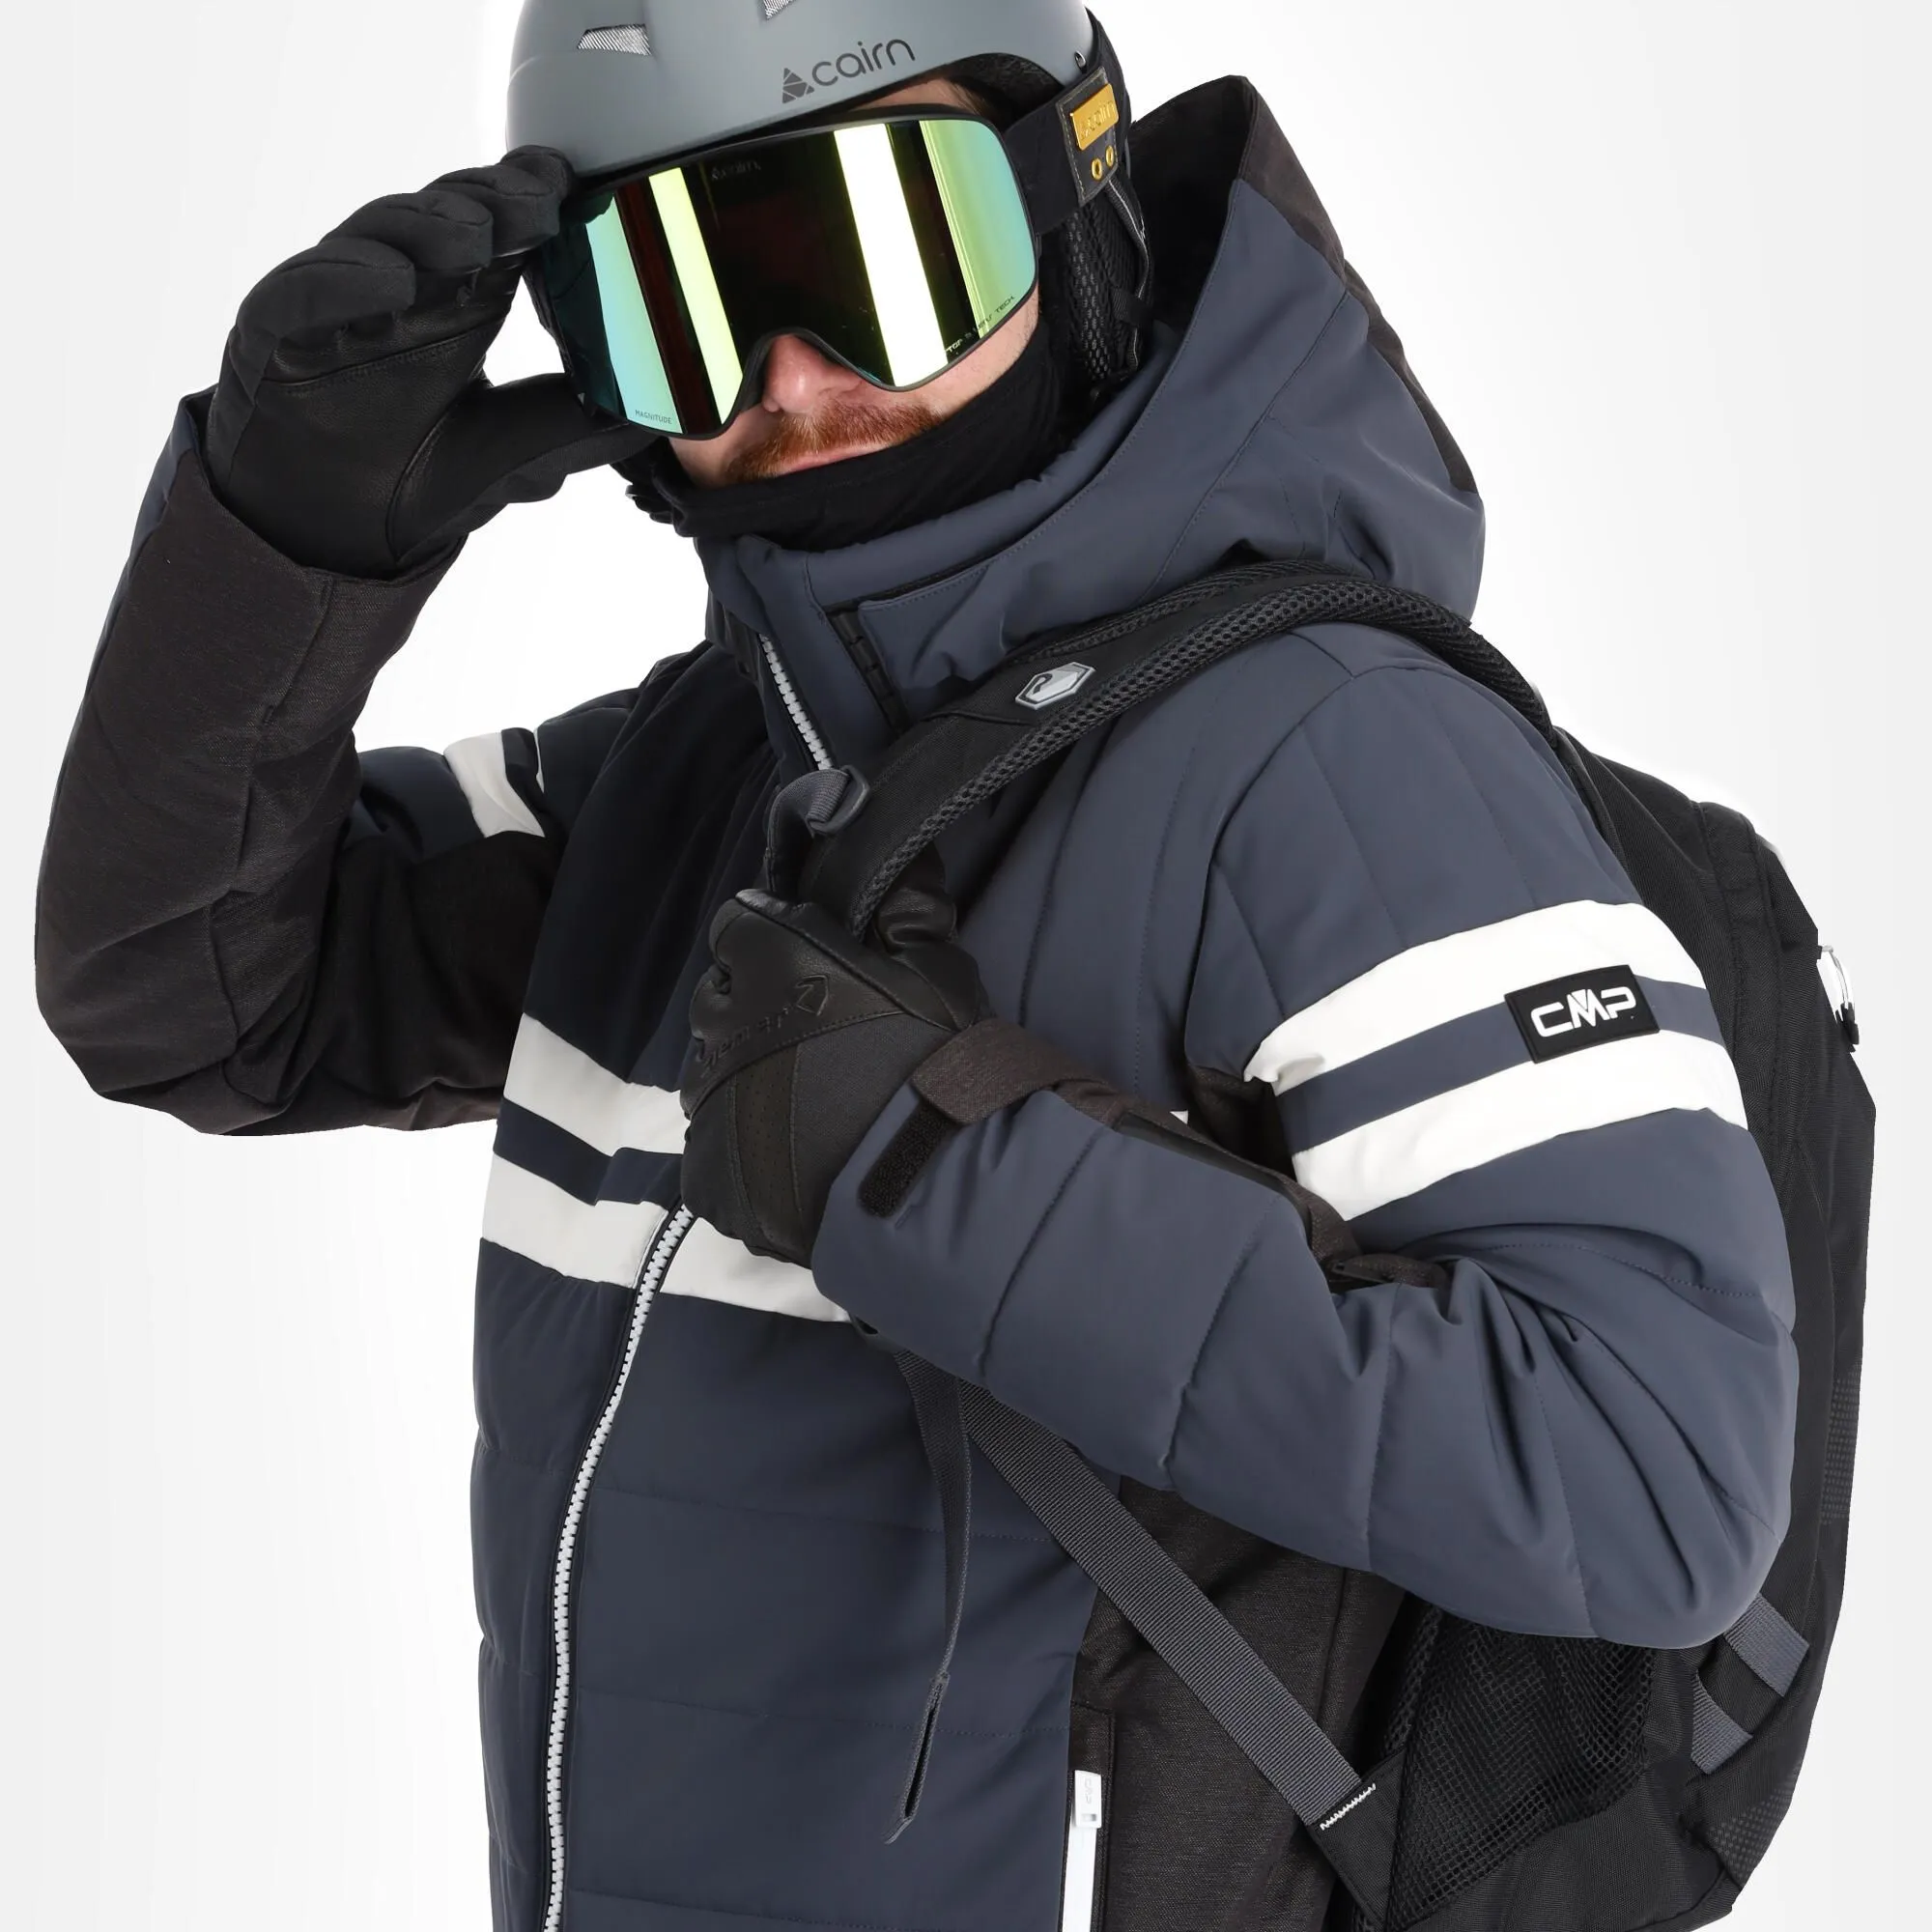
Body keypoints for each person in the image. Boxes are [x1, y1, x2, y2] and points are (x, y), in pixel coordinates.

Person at [36, 4, 1798, 1929]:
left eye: (886, 247)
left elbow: (1655, 1479)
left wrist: (929, 1168)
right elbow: (187, 996)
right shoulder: (709, 774)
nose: (796, 376)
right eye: (690, 300)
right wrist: (271, 555)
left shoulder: (1330, 755)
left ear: (1073, 195)